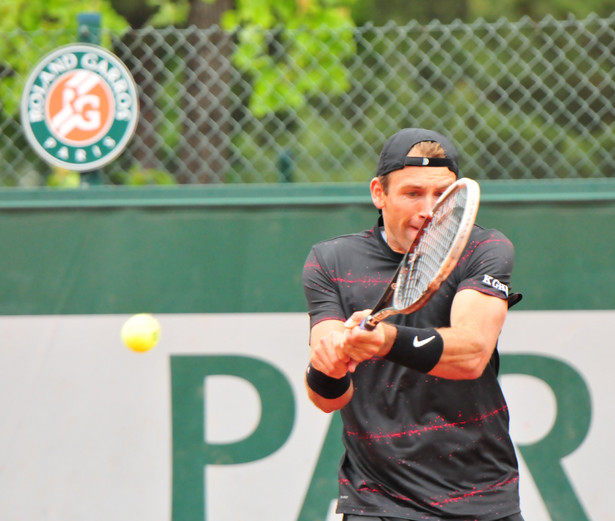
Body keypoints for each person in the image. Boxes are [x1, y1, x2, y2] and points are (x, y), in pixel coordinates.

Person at [302, 128, 524, 521]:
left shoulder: (484, 250)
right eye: (412, 193)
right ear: (378, 193)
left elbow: (472, 353)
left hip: (482, 497)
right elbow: (327, 398)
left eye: (442, 195)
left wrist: (384, 339)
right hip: (377, 501)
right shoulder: (330, 261)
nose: (428, 209)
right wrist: (330, 362)